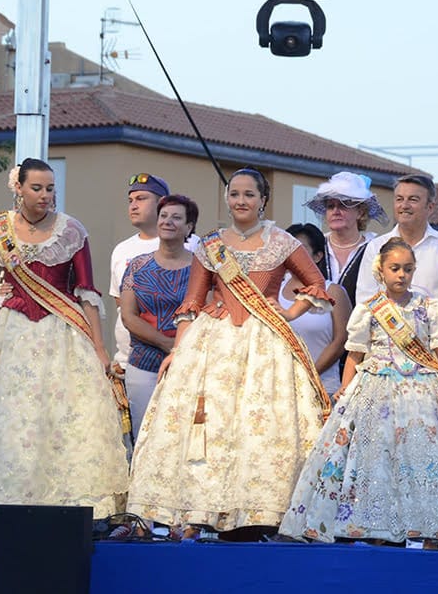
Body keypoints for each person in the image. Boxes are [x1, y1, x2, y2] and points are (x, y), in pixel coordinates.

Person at [0, 159, 128, 527]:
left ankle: (60, 507)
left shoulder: (72, 231)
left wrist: (98, 348)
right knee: (4, 417)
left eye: (51, 189)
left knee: (58, 417)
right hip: (7, 332)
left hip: (61, 336)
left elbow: (85, 292)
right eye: (38, 188)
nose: (45, 195)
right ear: (19, 188)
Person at [127, 168, 333, 539]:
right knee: (212, 423)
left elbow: (315, 283)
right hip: (214, 341)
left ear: (263, 200)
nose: (241, 201)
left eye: (249, 195)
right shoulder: (210, 245)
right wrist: (178, 351)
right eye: (234, 194)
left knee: (262, 423)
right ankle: (204, 508)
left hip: (265, 342)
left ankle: (260, 511)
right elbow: (192, 302)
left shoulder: (282, 242)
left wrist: (288, 313)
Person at [280, 238, 438, 545]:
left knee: (424, 459)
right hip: (376, 391)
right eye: (395, 268)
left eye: (408, 269)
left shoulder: (428, 308)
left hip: (424, 394)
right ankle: (374, 527)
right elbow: (354, 354)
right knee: (377, 459)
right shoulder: (369, 310)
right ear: (381, 270)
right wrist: (345, 390)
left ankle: (428, 526)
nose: (401, 275)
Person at [119, 194, 197, 436]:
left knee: (181, 436)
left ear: (189, 227)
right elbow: (128, 316)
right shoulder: (137, 266)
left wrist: (180, 349)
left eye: (176, 217)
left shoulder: (202, 269)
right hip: (144, 364)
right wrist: (166, 343)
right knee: (144, 434)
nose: (167, 222)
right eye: (163, 216)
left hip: (189, 365)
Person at [355, 174, 438, 330]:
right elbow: (365, 299)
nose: (404, 205)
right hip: (385, 345)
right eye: (399, 199)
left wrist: (432, 335)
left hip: (435, 346)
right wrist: (395, 334)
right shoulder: (376, 247)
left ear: (430, 207)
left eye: (413, 200)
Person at [109, 173, 173, 439]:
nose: (133, 205)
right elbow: (120, 305)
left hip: (173, 357)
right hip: (131, 360)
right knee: (135, 437)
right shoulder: (122, 250)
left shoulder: (187, 245)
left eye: (142, 198)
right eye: (130, 200)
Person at [283, 223, 351, 396]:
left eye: (300, 249)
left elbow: (341, 340)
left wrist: (309, 374)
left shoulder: (334, 291)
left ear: (318, 255)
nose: (294, 255)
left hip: (322, 387)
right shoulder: (274, 289)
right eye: (289, 249)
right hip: (282, 387)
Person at [304, 171, 388, 305]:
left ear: (360, 212)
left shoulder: (376, 248)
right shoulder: (316, 245)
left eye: (343, 205)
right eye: (330, 206)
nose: (335, 211)